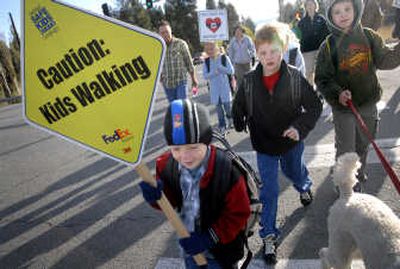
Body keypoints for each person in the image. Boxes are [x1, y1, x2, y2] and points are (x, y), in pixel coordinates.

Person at [232, 24, 322, 264]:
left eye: (273, 51)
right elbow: (238, 104)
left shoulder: (294, 76)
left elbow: (315, 106)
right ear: (256, 54)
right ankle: (269, 235)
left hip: (291, 142)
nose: (269, 58)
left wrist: (299, 128)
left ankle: (304, 185)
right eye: (263, 53)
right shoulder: (250, 81)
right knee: (269, 191)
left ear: (282, 48)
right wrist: (238, 119)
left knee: (294, 171)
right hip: (264, 145)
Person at [139, 99, 251, 269]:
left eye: (193, 147)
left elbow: (239, 213)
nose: (185, 157)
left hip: (222, 251)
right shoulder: (165, 165)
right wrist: (156, 197)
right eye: (176, 149)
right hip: (190, 248)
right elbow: (170, 202)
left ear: (207, 142)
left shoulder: (226, 170)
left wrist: (210, 237)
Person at [315, 0, 400, 191]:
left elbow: (386, 59)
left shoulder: (369, 37)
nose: (343, 15)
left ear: (356, 9)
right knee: (346, 149)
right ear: (330, 16)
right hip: (344, 108)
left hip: (368, 104)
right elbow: (322, 79)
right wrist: (338, 93)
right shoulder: (328, 46)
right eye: (337, 12)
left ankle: (358, 174)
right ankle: (344, 183)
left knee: (363, 145)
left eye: (347, 9)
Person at [158, 20, 198, 102]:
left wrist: (194, 79)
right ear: (159, 34)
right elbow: (157, 64)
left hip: (181, 81)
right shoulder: (158, 47)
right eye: (162, 33)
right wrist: (160, 77)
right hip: (167, 84)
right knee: (174, 108)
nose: (165, 35)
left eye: (166, 32)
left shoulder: (181, 44)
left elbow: (189, 62)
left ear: (171, 31)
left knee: (182, 106)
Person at [203, 42, 235, 134]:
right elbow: (205, 76)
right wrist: (213, 73)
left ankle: (230, 118)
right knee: (219, 110)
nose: (210, 51)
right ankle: (222, 126)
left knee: (228, 107)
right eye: (208, 50)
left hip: (225, 89)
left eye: (212, 48)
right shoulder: (207, 61)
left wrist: (221, 68)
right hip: (214, 90)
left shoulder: (224, 58)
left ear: (216, 48)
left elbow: (231, 71)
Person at [298, 0, 330, 85]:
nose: (310, 6)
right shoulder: (301, 22)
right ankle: (311, 92)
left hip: (320, 49)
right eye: (308, 5)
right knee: (309, 73)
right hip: (307, 51)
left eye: (312, 4)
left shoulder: (321, 19)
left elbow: (327, 33)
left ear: (315, 6)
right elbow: (299, 36)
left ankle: (321, 91)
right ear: (305, 7)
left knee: (321, 71)